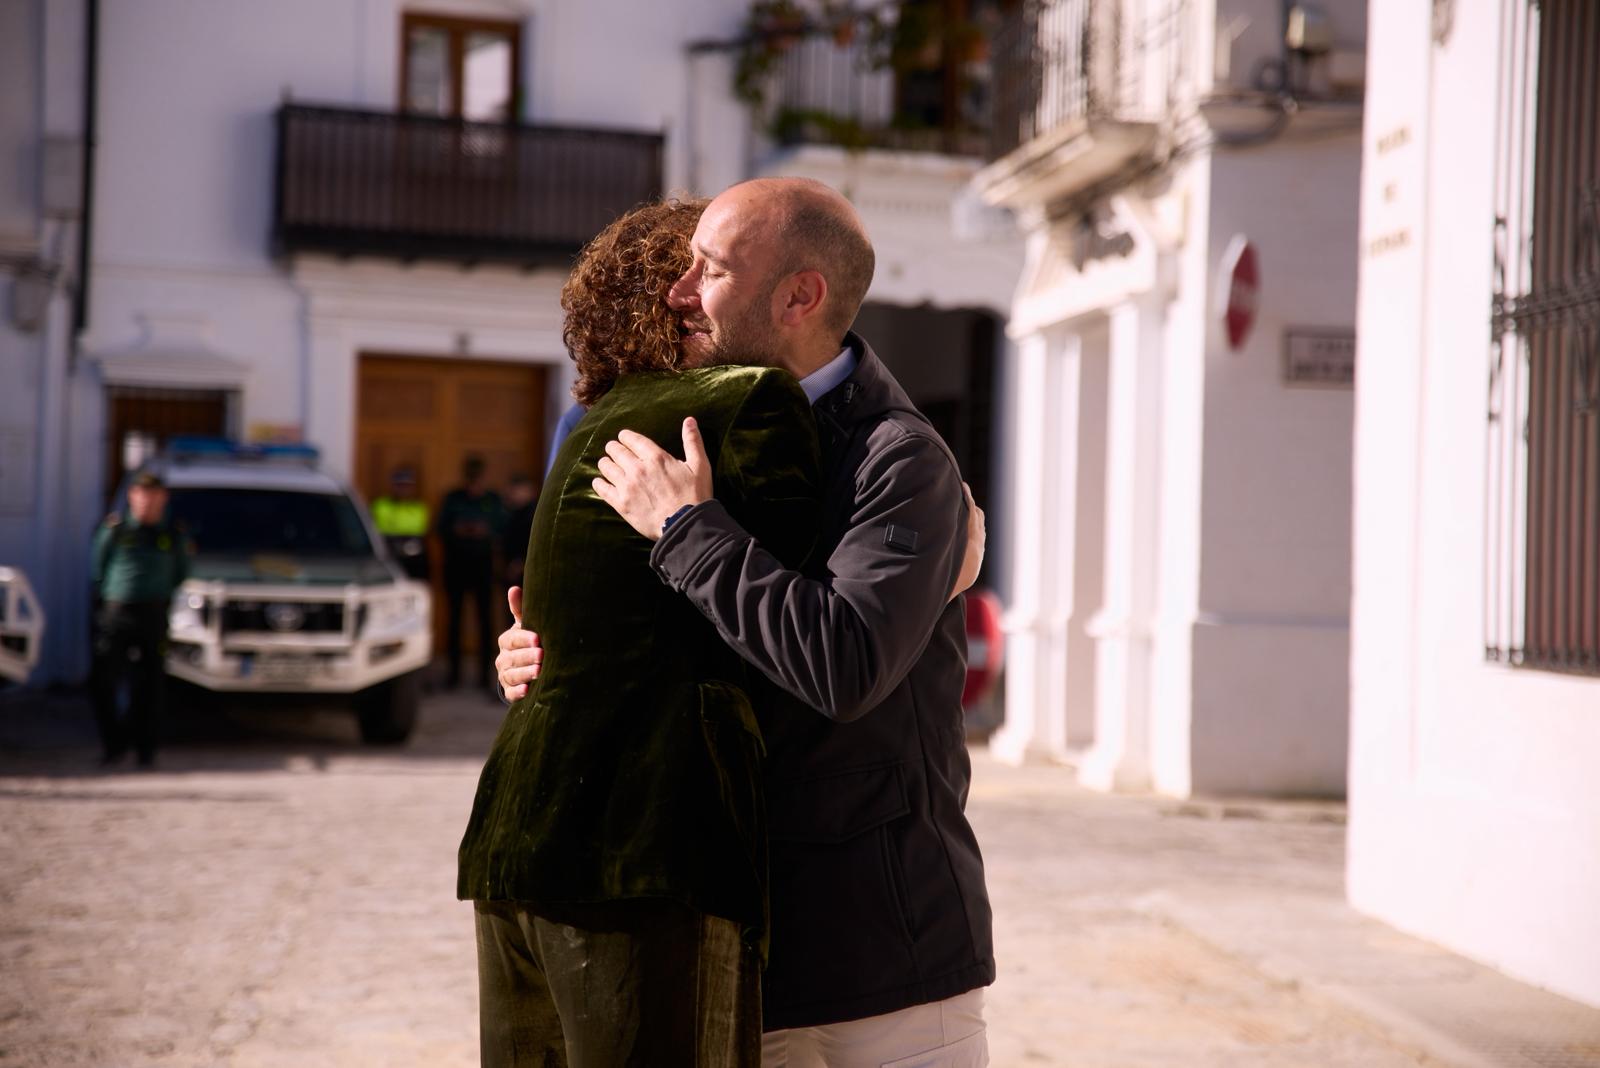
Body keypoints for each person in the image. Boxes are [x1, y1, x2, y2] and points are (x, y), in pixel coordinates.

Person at [498, 177, 994, 1066]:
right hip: (725, 950)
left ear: (800, 296)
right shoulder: (689, 430)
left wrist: (685, 531)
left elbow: (844, 664)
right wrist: (542, 660)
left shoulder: (899, 457)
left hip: (881, 963)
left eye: (710, 270)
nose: (678, 292)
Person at [458, 198, 823, 1066]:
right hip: (647, 848)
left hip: (514, 842)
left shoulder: (592, 422)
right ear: (674, 294)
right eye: (697, 269)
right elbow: (807, 634)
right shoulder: (749, 400)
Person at [89, 471, 193, 768]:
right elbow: (97, 569)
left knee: (151, 685)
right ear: (132, 496)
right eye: (142, 494)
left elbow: (182, 573)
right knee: (103, 681)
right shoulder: (115, 530)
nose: (147, 501)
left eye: (154, 495)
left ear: (163, 498)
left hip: (154, 613)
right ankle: (113, 745)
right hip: (117, 612)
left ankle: (145, 750)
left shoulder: (172, 533)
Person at [436, 455, 505, 692]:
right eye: (472, 478)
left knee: (485, 622)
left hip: (483, 567)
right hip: (457, 566)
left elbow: (502, 526)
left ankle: (486, 677)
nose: (475, 483)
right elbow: (440, 527)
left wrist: (484, 530)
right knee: (454, 621)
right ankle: (453, 676)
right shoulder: (453, 498)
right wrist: (459, 529)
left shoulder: (492, 500)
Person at [370, 466, 432, 583]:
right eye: (400, 485)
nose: (404, 489)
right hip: (388, 556)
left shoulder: (420, 508)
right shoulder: (380, 505)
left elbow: (423, 532)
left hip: (414, 557)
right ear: (393, 486)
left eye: (407, 486)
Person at [499, 472, 537, 587]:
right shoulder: (510, 513)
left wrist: (521, 563)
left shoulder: (533, 514)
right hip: (511, 570)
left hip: (528, 572)